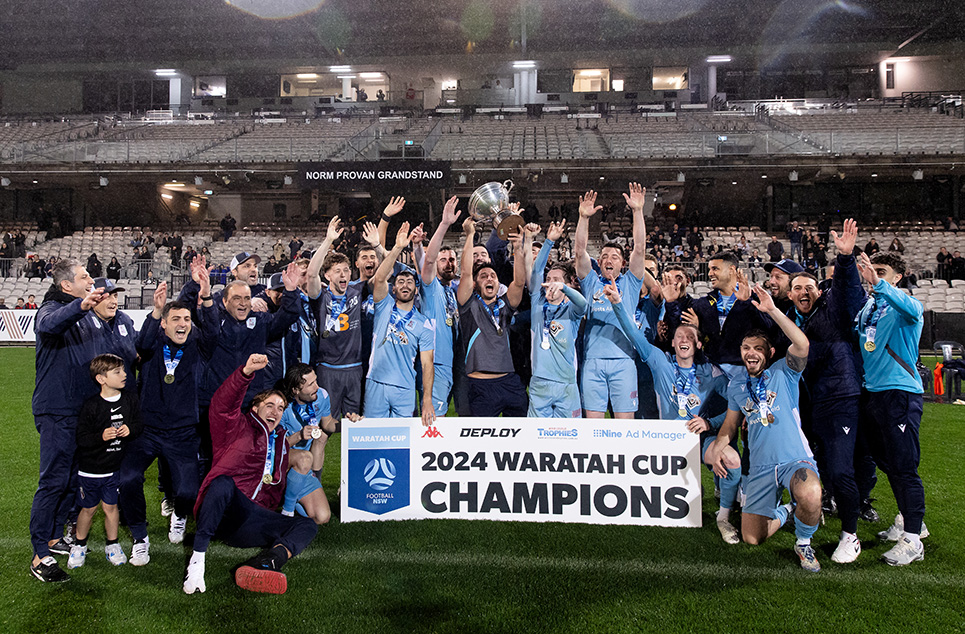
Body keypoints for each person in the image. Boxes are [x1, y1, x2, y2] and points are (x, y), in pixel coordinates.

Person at [602, 279, 736, 544]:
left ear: (698, 345)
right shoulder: (661, 363)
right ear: (672, 343)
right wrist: (618, 304)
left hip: (697, 440)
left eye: (689, 337)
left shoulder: (713, 374)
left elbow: (735, 410)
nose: (684, 340)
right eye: (679, 337)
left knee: (732, 461)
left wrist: (709, 423)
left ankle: (723, 518)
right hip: (665, 442)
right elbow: (634, 334)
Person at [708, 286, 822, 571]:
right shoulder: (737, 386)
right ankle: (789, 510)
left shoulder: (784, 371)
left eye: (758, 348)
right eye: (746, 348)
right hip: (759, 467)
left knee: (810, 491)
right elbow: (730, 426)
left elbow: (803, 344)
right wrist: (717, 449)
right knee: (751, 537)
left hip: (793, 459)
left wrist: (771, 310)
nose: (751, 353)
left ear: (769, 352)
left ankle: (804, 543)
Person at [183, 355, 318, 595]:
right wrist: (245, 373)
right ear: (255, 408)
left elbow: (277, 485)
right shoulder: (236, 426)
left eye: (280, 408)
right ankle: (196, 562)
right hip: (228, 511)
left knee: (306, 525)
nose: (275, 411)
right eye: (270, 405)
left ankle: (268, 562)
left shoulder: (281, 444)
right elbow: (222, 406)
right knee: (222, 484)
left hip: (254, 519)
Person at [785, 219, 869, 563]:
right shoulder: (791, 319)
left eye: (809, 287)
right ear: (789, 295)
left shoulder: (832, 309)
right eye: (797, 289)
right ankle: (810, 513)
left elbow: (851, 293)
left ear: (819, 290)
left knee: (839, 470)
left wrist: (845, 259)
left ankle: (850, 535)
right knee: (815, 466)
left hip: (840, 400)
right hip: (810, 405)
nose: (804, 293)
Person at [118, 280, 218, 565]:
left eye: (187, 319)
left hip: (183, 432)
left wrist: (207, 296)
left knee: (187, 491)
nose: (183, 324)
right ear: (164, 324)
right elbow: (142, 344)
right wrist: (156, 311)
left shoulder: (198, 345)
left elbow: (213, 332)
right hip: (147, 431)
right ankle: (140, 537)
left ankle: (179, 516)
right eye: (176, 319)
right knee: (128, 478)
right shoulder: (153, 343)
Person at [29, 260, 111, 582]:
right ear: (67, 287)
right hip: (57, 412)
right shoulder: (50, 309)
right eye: (84, 276)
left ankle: (52, 538)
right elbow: (50, 325)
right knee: (52, 481)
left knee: (72, 480)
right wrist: (81, 306)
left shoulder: (88, 317)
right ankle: (39, 554)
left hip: (82, 414)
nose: (90, 279)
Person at [855, 251, 927, 566]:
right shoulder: (870, 306)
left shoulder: (904, 304)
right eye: (871, 270)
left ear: (897, 277)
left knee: (904, 466)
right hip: (873, 394)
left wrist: (880, 284)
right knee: (887, 463)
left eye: (882, 271)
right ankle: (909, 520)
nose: (873, 275)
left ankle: (913, 540)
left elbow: (914, 309)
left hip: (900, 392)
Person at [575, 185, 648, 419]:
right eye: (604, 256)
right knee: (593, 428)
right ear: (599, 261)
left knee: (624, 426)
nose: (609, 259)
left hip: (624, 360)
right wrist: (584, 218)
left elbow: (640, 248)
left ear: (622, 263)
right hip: (593, 361)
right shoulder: (591, 282)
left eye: (614, 257)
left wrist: (637, 211)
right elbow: (579, 251)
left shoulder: (632, 282)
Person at [68, 354, 142, 569]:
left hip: (113, 470)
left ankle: (113, 545)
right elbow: (82, 439)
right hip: (91, 471)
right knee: (88, 509)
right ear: (101, 379)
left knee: (111, 507)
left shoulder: (129, 399)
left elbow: (139, 424)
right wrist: (100, 436)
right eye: (117, 372)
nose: (124, 375)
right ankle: (79, 545)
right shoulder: (91, 406)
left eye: (124, 370)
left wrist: (131, 429)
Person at [456, 215, 527, 417]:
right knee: (483, 443)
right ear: (477, 284)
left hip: (510, 382)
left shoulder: (505, 305)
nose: (489, 278)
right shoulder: (468, 305)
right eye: (484, 276)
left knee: (521, 437)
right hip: (480, 384)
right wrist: (470, 235)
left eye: (493, 276)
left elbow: (519, 282)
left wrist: (518, 247)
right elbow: (466, 274)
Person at [365, 221, 435, 425]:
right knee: (373, 437)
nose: (405, 285)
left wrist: (427, 399)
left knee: (402, 444)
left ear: (416, 289)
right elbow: (379, 280)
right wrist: (397, 247)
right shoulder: (383, 305)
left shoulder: (423, 325)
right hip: (376, 383)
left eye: (410, 282)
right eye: (400, 282)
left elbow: (426, 364)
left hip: (405, 388)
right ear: (393, 289)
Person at [523, 220, 587, 418]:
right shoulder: (537, 303)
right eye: (548, 279)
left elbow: (583, 304)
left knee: (570, 437)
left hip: (566, 384)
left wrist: (564, 288)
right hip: (540, 382)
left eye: (556, 280)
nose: (550, 284)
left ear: (568, 285)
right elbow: (535, 271)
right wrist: (549, 241)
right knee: (536, 438)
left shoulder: (571, 310)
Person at [305, 217, 367, 421]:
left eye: (346, 270)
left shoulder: (358, 290)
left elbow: (383, 275)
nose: (344, 275)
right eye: (337, 271)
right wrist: (328, 241)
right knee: (324, 427)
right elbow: (311, 275)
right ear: (328, 276)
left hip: (354, 367)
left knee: (353, 425)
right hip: (327, 369)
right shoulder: (320, 296)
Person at [278, 364, 339, 525]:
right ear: (295, 390)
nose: (317, 387)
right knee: (305, 457)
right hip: (282, 464)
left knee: (322, 517)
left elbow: (327, 424)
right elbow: (274, 446)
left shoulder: (322, 395)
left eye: (316, 381)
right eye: (311, 384)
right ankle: (287, 510)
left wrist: (347, 424)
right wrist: (298, 436)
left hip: (302, 470)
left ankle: (292, 492)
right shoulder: (282, 408)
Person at [420, 196, 461, 417]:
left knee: (439, 421)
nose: (449, 263)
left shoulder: (451, 291)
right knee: (432, 424)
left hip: (447, 362)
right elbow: (427, 261)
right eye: (443, 259)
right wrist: (444, 224)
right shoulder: (431, 287)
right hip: (433, 363)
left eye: (452, 259)